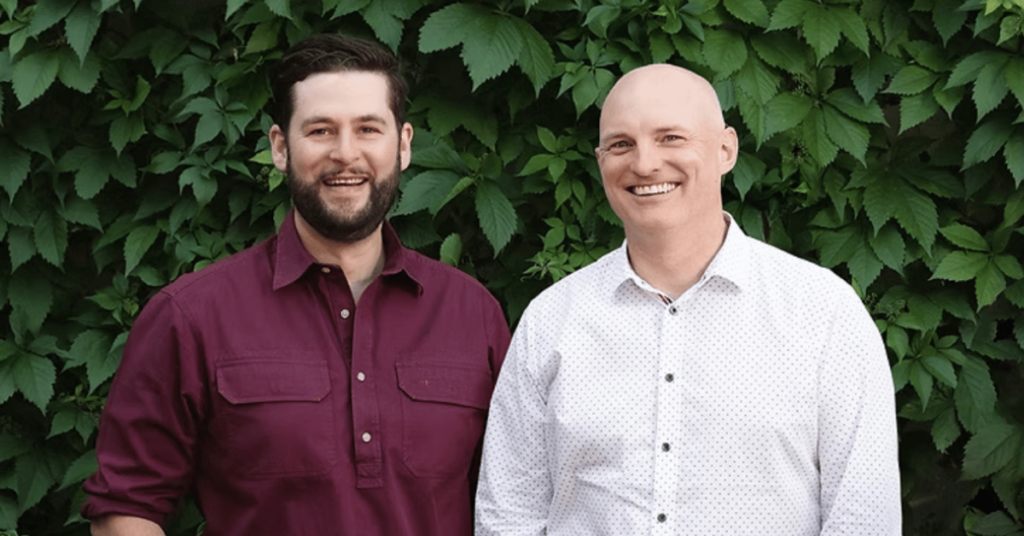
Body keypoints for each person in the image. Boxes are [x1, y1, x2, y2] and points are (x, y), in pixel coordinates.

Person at [82, 34, 510, 536]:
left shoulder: (472, 314)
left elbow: (517, 498)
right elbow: (127, 508)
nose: (345, 154)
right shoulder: (191, 316)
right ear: (281, 147)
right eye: (321, 130)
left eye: (368, 129)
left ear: (404, 145)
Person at [475, 64, 900, 535]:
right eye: (621, 144)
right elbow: (508, 516)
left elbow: (864, 520)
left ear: (726, 150)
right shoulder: (552, 320)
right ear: (601, 163)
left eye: (671, 137)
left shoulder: (823, 313)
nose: (644, 163)